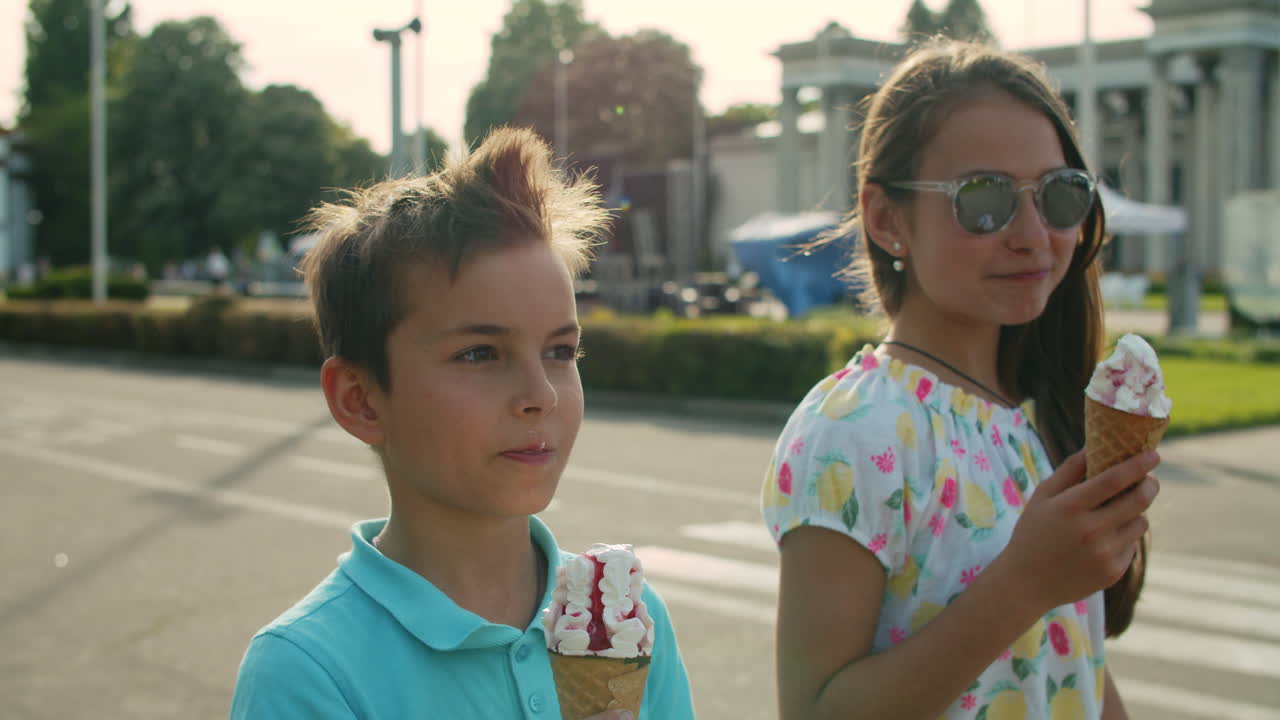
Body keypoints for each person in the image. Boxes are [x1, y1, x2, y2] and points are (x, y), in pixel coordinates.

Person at [231, 127, 696, 720]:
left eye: (560, 352)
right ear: (360, 399)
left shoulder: (624, 621)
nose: (540, 396)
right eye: (480, 353)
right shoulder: (309, 671)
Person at [761, 40, 1160, 720]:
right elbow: (815, 709)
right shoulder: (855, 428)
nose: (1033, 234)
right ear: (887, 219)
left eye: (1060, 195)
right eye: (985, 199)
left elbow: (1071, 663)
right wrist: (1025, 583)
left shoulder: (1034, 415)